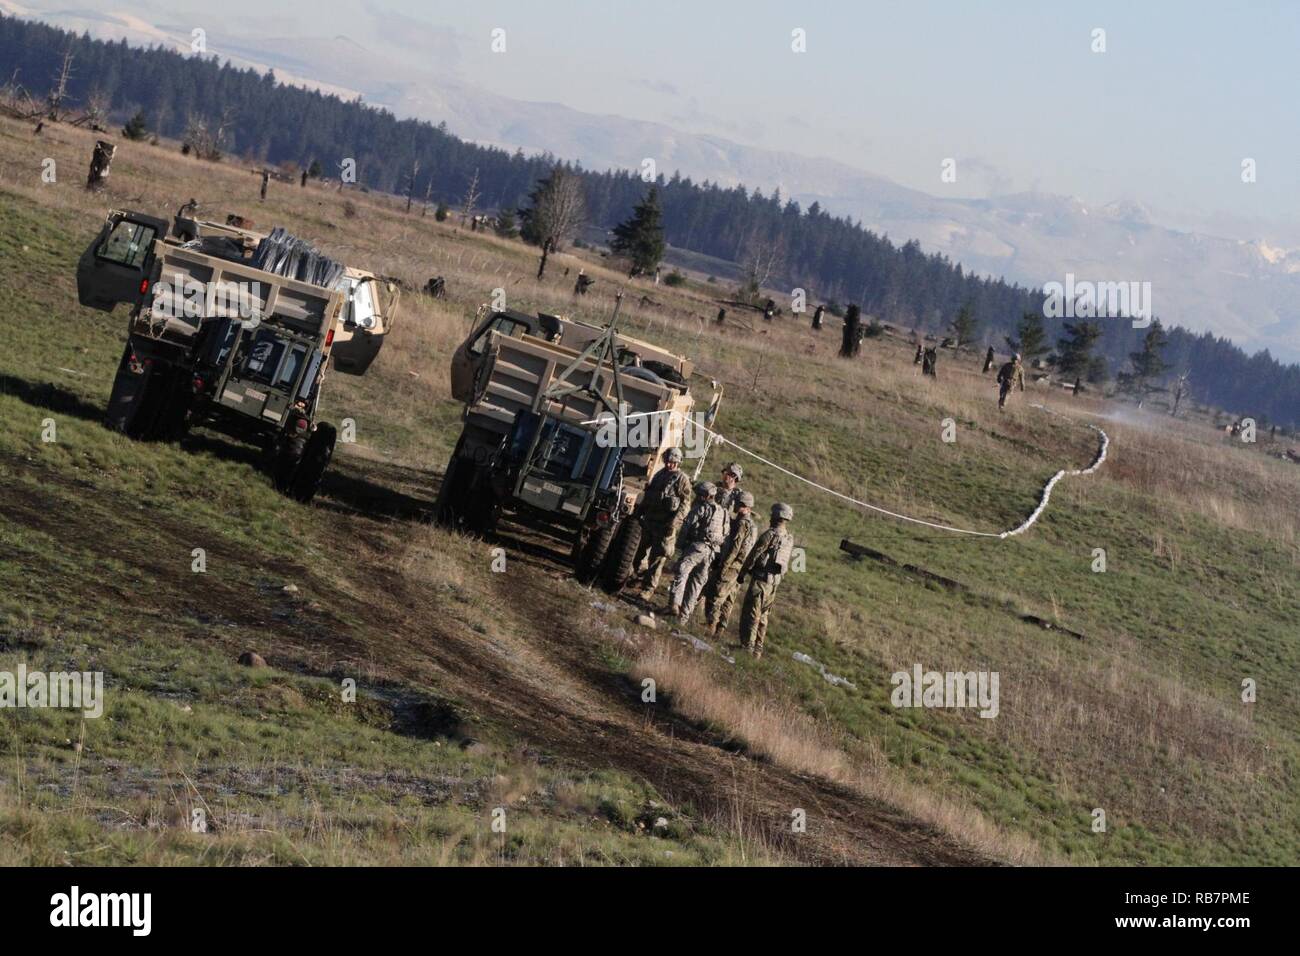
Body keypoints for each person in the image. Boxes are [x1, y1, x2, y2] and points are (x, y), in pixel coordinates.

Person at [631, 447, 694, 600]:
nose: (669, 464)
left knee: (657, 559)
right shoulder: (660, 474)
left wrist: (674, 523)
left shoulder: (681, 479)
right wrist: (639, 512)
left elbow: (685, 504)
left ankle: (648, 589)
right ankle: (634, 577)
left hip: (665, 525)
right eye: (668, 461)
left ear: (678, 462)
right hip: (650, 520)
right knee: (638, 551)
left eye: (673, 462)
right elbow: (649, 494)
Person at [737, 503, 795, 659]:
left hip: (761, 581)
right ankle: (758, 649)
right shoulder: (789, 538)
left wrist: (742, 572)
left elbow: (754, 555)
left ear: (776, 517)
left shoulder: (769, 535)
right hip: (774, 584)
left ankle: (747, 648)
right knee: (763, 617)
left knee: (752, 614)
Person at [670, 482, 730, 621]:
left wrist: (680, 546)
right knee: (696, 584)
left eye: (700, 494)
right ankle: (683, 618)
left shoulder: (702, 508)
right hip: (712, 553)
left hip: (697, 547)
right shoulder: (724, 513)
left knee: (682, 571)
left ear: (706, 496)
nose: (698, 497)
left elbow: (686, 525)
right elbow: (725, 536)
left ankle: (674, 603)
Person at [704, 491, 758, 638]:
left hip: (731, 566)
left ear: (745, 507)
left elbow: (735, 548)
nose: (735, 506)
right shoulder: (752, 525)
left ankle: (711, 626)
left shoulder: (741, 524)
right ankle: (720, 629)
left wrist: (724, 566)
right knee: (729, 599)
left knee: (716, 595)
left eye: (739, 504)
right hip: (740, 568)